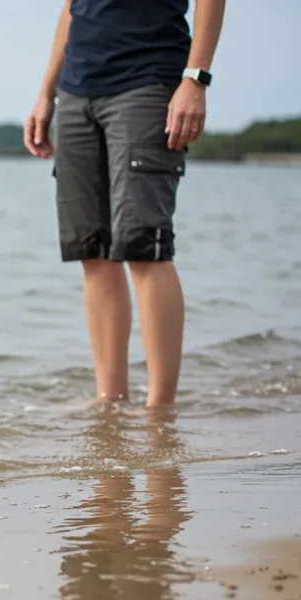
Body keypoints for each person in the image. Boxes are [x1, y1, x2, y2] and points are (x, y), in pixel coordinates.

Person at [24, 0, 226, 408]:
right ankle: (110, 404)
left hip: (147, 83)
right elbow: (72, 9)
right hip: (76, 92)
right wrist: (46, 92)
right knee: (92, 251)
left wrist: (196, 79)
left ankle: (159, 412)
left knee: (143, 247)